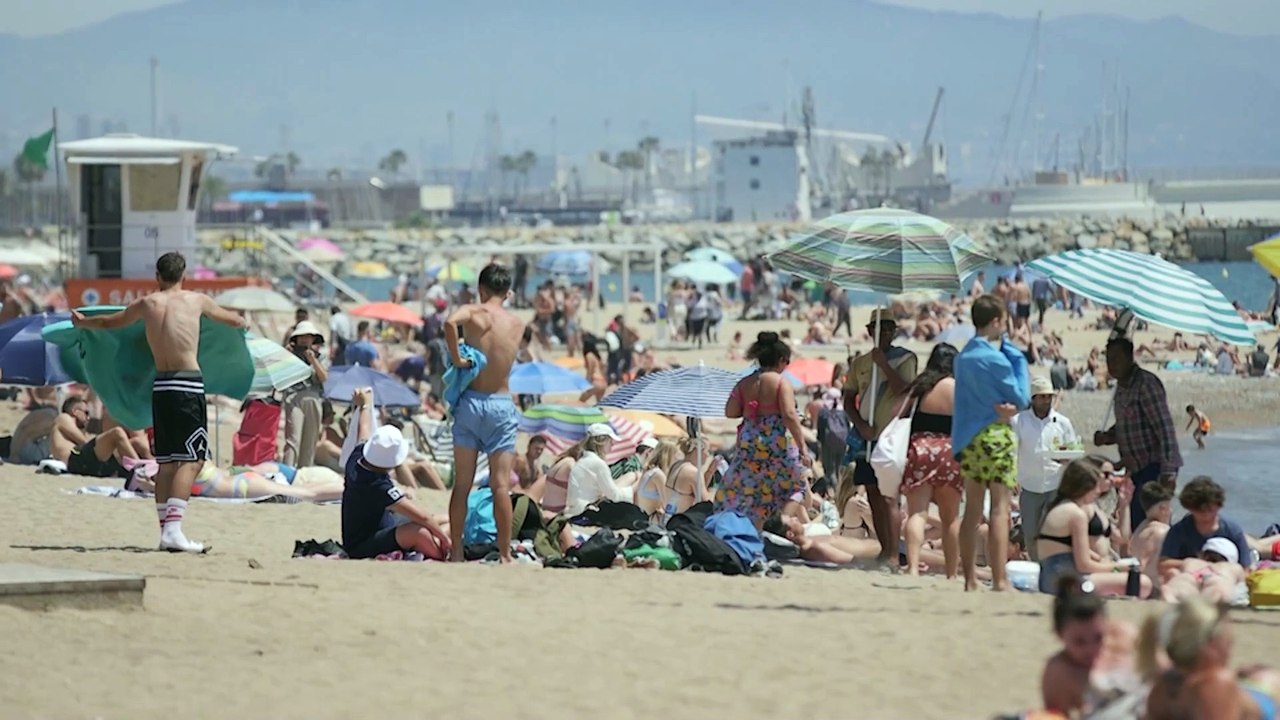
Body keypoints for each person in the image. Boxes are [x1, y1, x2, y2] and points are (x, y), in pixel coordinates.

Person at [71, 251, 249, 553]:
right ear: (184, 276)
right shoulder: (196, 300)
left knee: (166, 463)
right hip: (187, 386)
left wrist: (83, 322)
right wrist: (241, 322)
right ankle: (174, 531)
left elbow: (109, 323)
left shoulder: (146, 304)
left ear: (157, 276)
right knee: (192, 460)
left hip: (162, 387)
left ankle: (166, 531)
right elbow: (232, 320)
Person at [445, 263, 525, 564]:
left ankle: (456, 551)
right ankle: (505, 554)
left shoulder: (475, 312)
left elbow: (450, 322)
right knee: (501, 486)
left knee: (463, 484)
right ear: (508, 292)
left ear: (481, 289)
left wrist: (457, 358)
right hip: (501, 404)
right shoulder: (517, 324)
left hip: (472, 402)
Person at [953, 294, 1031, 591]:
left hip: (970, 439)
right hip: (996, 435)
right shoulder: (997, 359)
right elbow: (1021, 396)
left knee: (972, 510)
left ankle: (969, 578)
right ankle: (999, 579)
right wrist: (1015, 354)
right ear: (996, 321)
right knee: (999, 509)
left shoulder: (963, 358)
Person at [844, 309, 918, 564]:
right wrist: (860, 424)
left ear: (894, 332)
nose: (883, 333)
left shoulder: (905, 359)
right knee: (873, 493)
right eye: (878, 328)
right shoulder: (860, 364)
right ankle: (885, 549)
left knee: (890, 497)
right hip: (867, 435)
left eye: (888, 329)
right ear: (869, 331)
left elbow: (904, 391)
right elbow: (848, 399)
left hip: (891, 436)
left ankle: (894, 553)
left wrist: (884, 365)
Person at [716, 332, 812, 528]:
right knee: (797, 487)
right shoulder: (780, 382)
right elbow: (789, 415)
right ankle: (780, 525)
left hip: (749, 440)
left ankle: (755, 528)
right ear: (781, 360)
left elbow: (730, 412)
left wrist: (752, 406)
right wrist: (802, 447)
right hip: (776, 441)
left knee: (753, 489)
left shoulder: (744, 383)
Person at [341, 388, 450, 560]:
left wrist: (365, 405)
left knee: (440, 519)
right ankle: (443, 555)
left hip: (380, 526)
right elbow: (421, 516)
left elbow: (364, 428)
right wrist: (444, 539)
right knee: (419, 532)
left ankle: (440, 540)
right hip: (361, 545)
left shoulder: (357, 457)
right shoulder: (377, 485)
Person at [1139, 598, 1279, 720]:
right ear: (1212, 645)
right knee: (1267, 677)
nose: (1231, 645)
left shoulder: (1164, 685)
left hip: (1253, 693)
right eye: (1228, 640)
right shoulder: (1216, 684)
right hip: (1265, 696)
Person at [1094, 337, 1182, 528]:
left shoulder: (1145, 385)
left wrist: (1168, 471)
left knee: (1151, 525)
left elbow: (1165, 429)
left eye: (1117, 359)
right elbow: (1127, 424)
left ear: (1129, 358)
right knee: (1135, 523)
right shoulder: (1121, 388)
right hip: (1135, 469)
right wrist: (1107, 436)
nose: (1112, 365)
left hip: (1154, 466)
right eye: (1109, 360)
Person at [1035, 458, 1152, 598]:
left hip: (1052, 578)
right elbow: (1084, 565)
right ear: (1084, 487)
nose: (1098, 491)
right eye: (1095, 485)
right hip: (1066, 582)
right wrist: (1120, 568)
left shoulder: (1062, 507)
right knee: (1143, 583)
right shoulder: (1077, 514)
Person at [899, 343, 962, 578]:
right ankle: (952, 572)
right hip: (949, 451)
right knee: (950, 518)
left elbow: (900, 415)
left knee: (917, 513)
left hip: (920, 450)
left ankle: (913, 567)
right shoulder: (958, 388)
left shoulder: (920, 387)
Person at [1014, 376, 1079, 561]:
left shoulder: (1062, 422)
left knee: (1054, 532)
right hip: (1030, 486)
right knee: (1030, 533)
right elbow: (1012, 451)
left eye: (1049, 396)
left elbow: (1073, 450)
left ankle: (1053, 567)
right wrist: (1013, 476)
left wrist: (1065, 458)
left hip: (1055, 485)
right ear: (1033, 398)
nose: (1046, 400)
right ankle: (1037, 568)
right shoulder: (1019, 421)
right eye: (1042, 396)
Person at [1040, 575, 1108, 717]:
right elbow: (1055, 716)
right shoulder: (1060, 672)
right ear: (1059, 634)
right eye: (1079, 642)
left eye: (1098, 638)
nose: (1091, 649)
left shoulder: (1120, 648)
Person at [1159, 476, 1252, 576]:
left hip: (1224, 577)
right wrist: (1197, 564)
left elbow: (1245, 568)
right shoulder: (1179, 530)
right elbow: (1163, 564)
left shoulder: (1232, 530)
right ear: (1189, 508)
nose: (1206, 514)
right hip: (1190, 576)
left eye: (1210, 509)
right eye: (1200, 510)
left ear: (1219, 505)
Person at [50, 396, 141, 478]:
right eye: (86, 413)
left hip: (84, 462)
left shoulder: (71, 430)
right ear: (75, 412)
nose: (88, 418)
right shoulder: (63, 418)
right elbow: (84, 441)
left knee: (136, 443)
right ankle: (140, 471)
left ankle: (143, 470)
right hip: (75, 460)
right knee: (117, 433)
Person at [281, 321, 329, 468]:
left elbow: (324, 378)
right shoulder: (288, 355)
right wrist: (287, 356)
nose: (304, 339)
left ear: (313, 339)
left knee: (310, 440)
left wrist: (313, 360)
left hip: (312, 398)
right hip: (293, 397)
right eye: (301, 336)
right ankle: (288, 470)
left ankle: (304, 471)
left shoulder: (319, 357)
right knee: (293, 439)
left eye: (308, 336)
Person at [565, 424, 636, 516]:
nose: (612, 444)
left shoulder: (584, 460)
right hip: (585, 512)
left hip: (577, 509)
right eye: (610, 441)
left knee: (631, 477)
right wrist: (636, 487)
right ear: (602, 441)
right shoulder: (598, 464)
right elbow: (614, 496)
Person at [762, 512, 881, 564]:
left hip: (881, 547)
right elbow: (852, 561)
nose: (795, 518)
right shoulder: (814, 547)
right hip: (881, 554)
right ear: (790, 534)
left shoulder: (812, 540)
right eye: (791, 520)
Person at [1161, 538, 1248, 605]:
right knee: (1217, 591)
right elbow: (1241, 593)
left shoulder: (1190, 561)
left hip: (1192, 574)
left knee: (1181, 586)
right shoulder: (1234, 567)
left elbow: (1171, 572)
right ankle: (1209, 602)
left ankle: (1171, 595)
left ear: (1202, 554)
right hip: (1219, 576)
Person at [1131, 482, 1174, 593]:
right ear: (1162, 508)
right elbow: (1143, 562)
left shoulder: (1141, 526)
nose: (1171, 511)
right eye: (1170, 507)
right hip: (1154, 589)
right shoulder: (1161, 531)